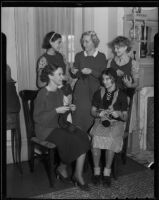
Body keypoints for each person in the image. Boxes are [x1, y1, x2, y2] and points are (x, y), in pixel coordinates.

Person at [33, 63, 90, 191]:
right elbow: (37, 118)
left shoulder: (59, 91)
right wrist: (55, 111)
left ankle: (66, 168)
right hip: (44, 130)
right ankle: (76, 175)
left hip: (58, 126)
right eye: (59, 74)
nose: (62, 77)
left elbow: (61, 115)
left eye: (62, 73)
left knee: (82, 136)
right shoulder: (43, 93)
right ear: (50, 76)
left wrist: (69, 109)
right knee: (72, 139)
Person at [90, 68, 128, 187]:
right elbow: (92, 111)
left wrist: (119, 114)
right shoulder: (98, 93)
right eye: (103, 79)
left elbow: (125, 117)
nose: (104, 82)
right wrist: (98, 114)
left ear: (113, 79)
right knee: (95, 138)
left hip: (117, 123)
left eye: (108, 79)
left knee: (111, 139)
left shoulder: (122, 95)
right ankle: (96, 172)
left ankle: (107, 173)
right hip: (101, 121)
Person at [69, 31, 107, 133]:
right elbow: (76, 74)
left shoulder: (101, 57)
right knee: (78, 119)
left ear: (94, 42)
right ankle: (80, 145)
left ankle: (92, 147)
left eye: (87, 41)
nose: (84, 44)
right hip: (80, 90)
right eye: (83, 41)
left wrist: (91, 71)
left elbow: (103, 77)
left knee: (92, 119)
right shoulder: (79, 56)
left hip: (95, 91)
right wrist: (73, 71)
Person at [107, 36, 139, 134]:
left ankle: (121, 149)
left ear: (125, 47)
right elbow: (105, 80)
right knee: (110, 127)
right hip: (111, 98)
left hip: (126, 98)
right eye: (115, 48)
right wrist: (113, 72)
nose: (115, 50)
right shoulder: (110, 62)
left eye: (118, 48)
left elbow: (136, 83)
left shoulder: (133, 63)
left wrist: (129, 85)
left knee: (123, 128)